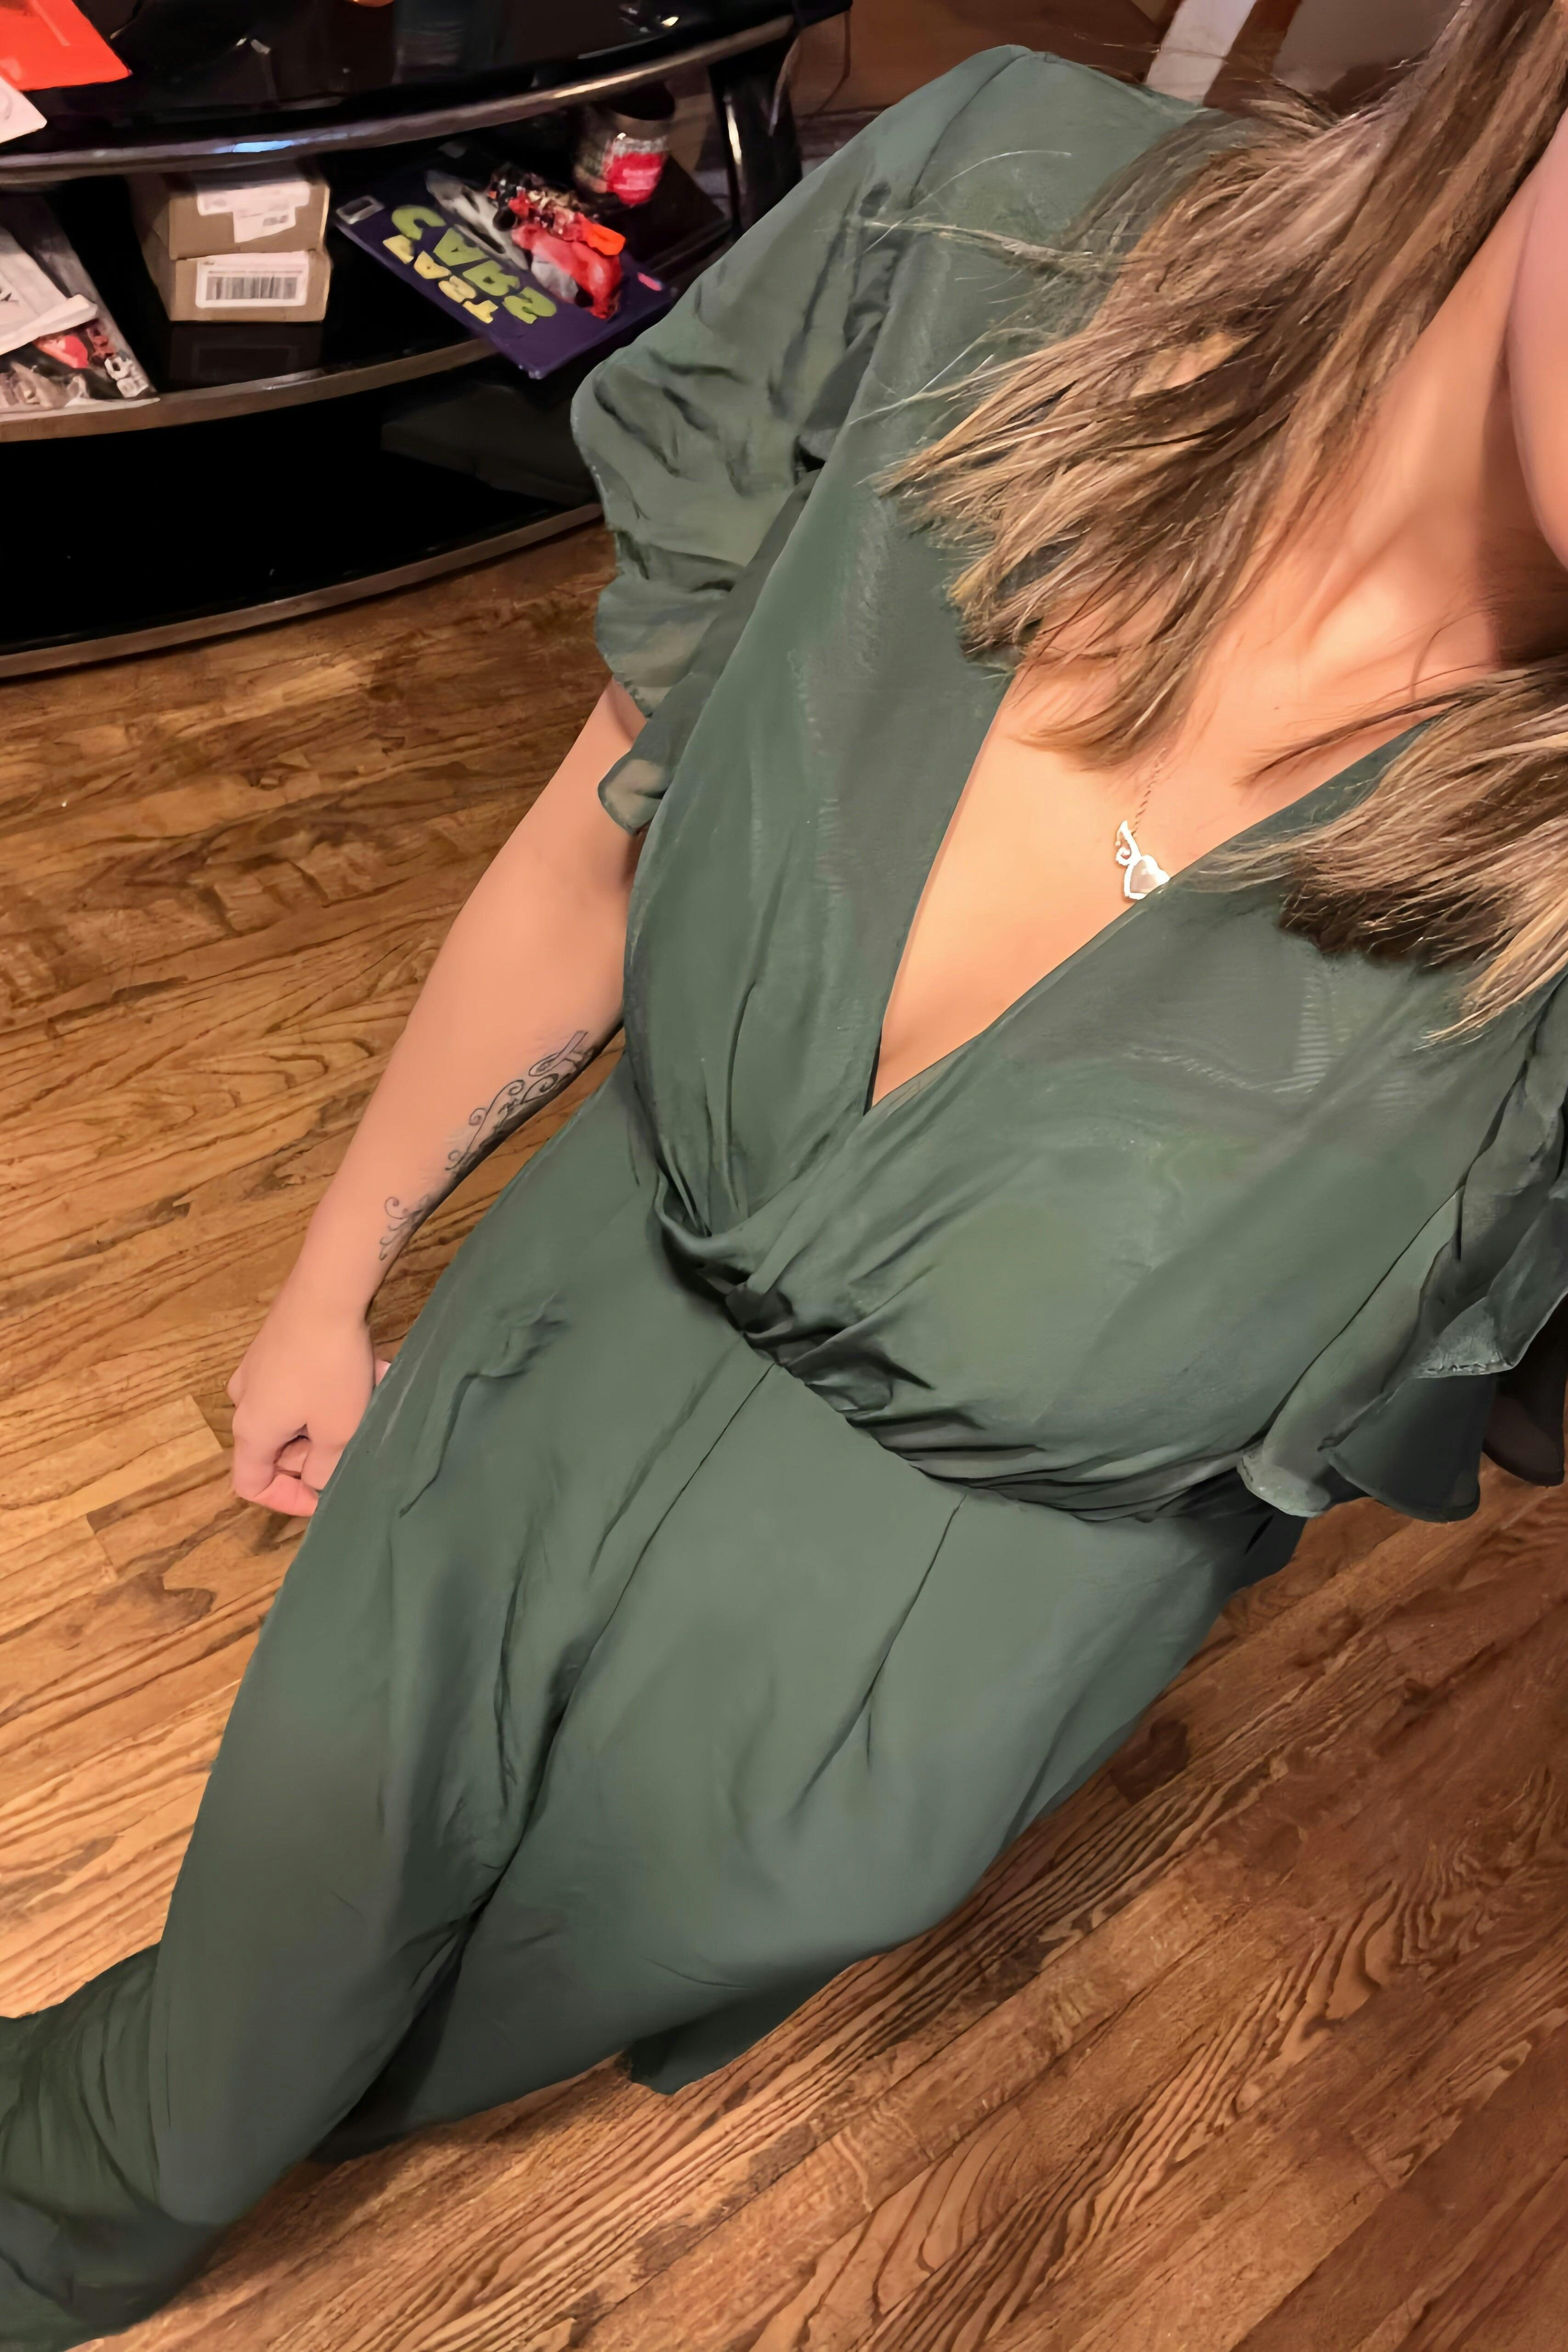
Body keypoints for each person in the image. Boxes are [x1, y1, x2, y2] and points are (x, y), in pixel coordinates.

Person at [6, 2, 1568, 2340]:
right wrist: (338, 1264)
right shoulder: (994, 234)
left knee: (442, 2026)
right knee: (233, 2012)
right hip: (552, 1355)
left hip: (891, 1692)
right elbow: (597, 841)